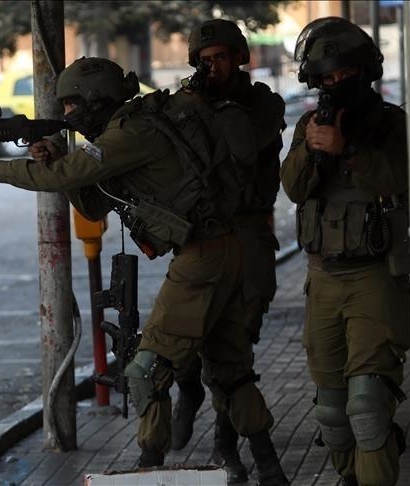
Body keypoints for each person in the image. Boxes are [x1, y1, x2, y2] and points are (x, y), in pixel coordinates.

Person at [0, 56, 289, 485]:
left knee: (146, 371)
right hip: (222, 250)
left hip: (205, 258)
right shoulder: (130, 130)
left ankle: (147, 469)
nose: (68, 115)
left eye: (72, 105)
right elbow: (92, 202)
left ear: (96, 100)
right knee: (230, 372)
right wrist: (57, 160)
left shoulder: (131, 133)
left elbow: (63, 176)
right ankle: (271, 470)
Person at [280, 17, 410, 486]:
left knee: (368, 406)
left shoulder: (392, 124)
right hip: (323, 279)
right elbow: (294, 188)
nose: (337, 83)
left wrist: (348, 149)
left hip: (376, 278)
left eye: (346, 74)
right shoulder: (310, 125)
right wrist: (314, 150)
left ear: (366, 71)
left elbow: (399, 177)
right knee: (333, 413)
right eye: (328, 77)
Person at [165, 19, 287, 485]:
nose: (212, 68)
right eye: (204, 60)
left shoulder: (263, 105)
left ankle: (225, 444)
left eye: (220, 58)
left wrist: (203, 106)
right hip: (202, 233)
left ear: (239, 58)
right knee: (182, 334)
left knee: (237, 347)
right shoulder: (190, 103)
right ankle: (188, 386)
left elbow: (242, 145)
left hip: (249, 233)